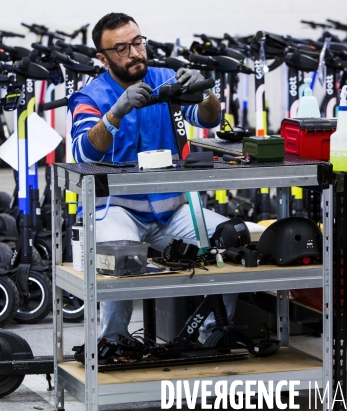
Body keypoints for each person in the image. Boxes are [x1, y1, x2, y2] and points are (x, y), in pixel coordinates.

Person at [68, 12, 236, 343]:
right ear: (103, 58)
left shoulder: (166, 79)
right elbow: (83, 154)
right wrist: (115, 113)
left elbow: (209, 119)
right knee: (124, 255)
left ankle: (213, 336)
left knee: (230, 239)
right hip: (114, 210)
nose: (134, 53)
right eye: (121, 48)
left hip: (170, 210)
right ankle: (114, 341)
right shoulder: (91, 97)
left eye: (137, 42)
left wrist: (205, 91)